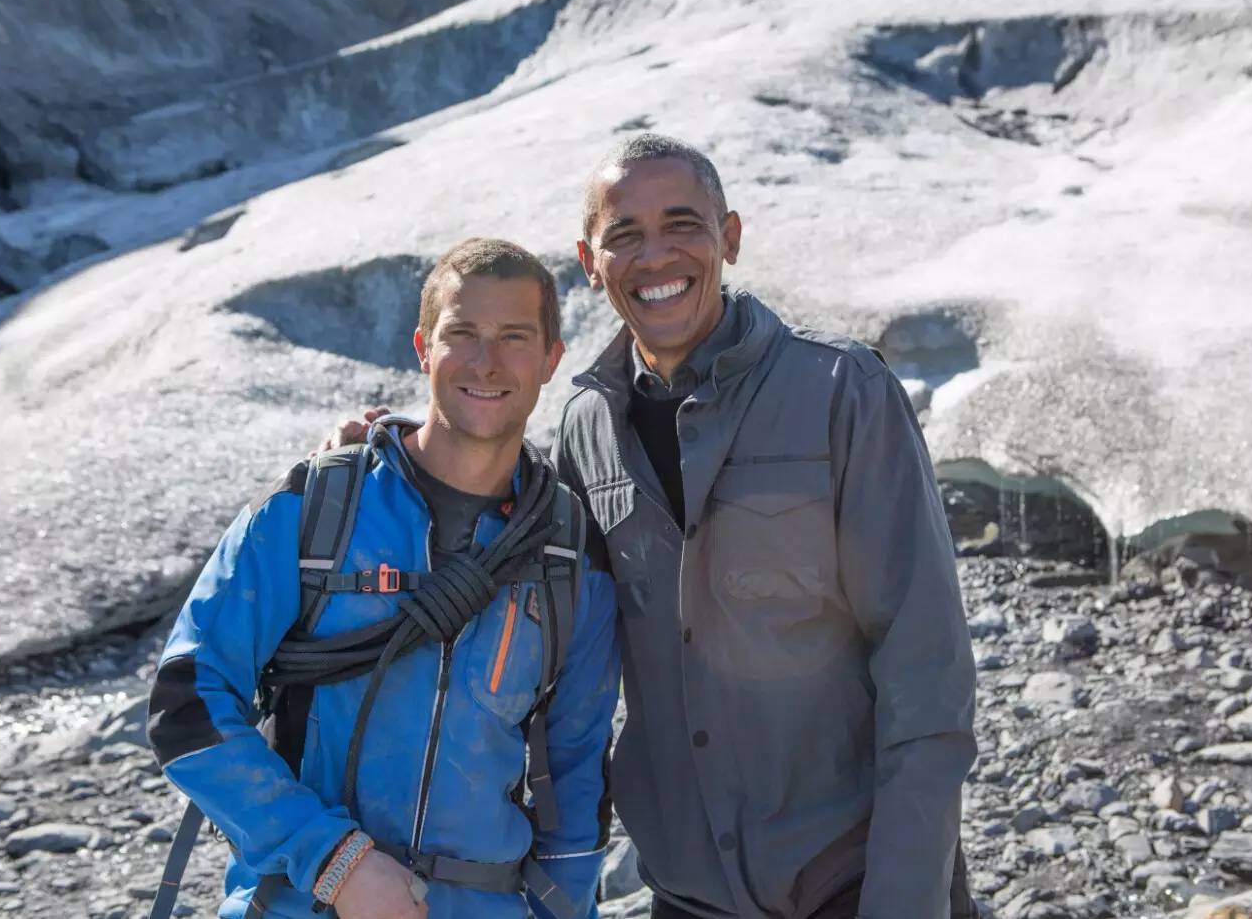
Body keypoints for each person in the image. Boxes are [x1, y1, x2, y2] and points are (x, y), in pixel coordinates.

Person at [331, 134, 978, 919]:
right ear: (589, 261)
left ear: (729, 238)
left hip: (847, 879)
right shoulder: (586, 426)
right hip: (688, 888)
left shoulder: (843, 392)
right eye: (625, 235)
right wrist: (390, 454)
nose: (656, 256)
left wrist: (906, 899)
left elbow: (926, 665)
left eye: (682, 225)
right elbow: (516, 577)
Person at [148, 238, 620, 919]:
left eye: (515, 337)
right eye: (463, 334)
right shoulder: (313, 511)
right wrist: (333, 862)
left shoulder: (569, 552)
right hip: (301, 902)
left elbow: (576, 772)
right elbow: (186, 699)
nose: (487, 362)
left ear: (552, 359)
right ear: (424, 348)